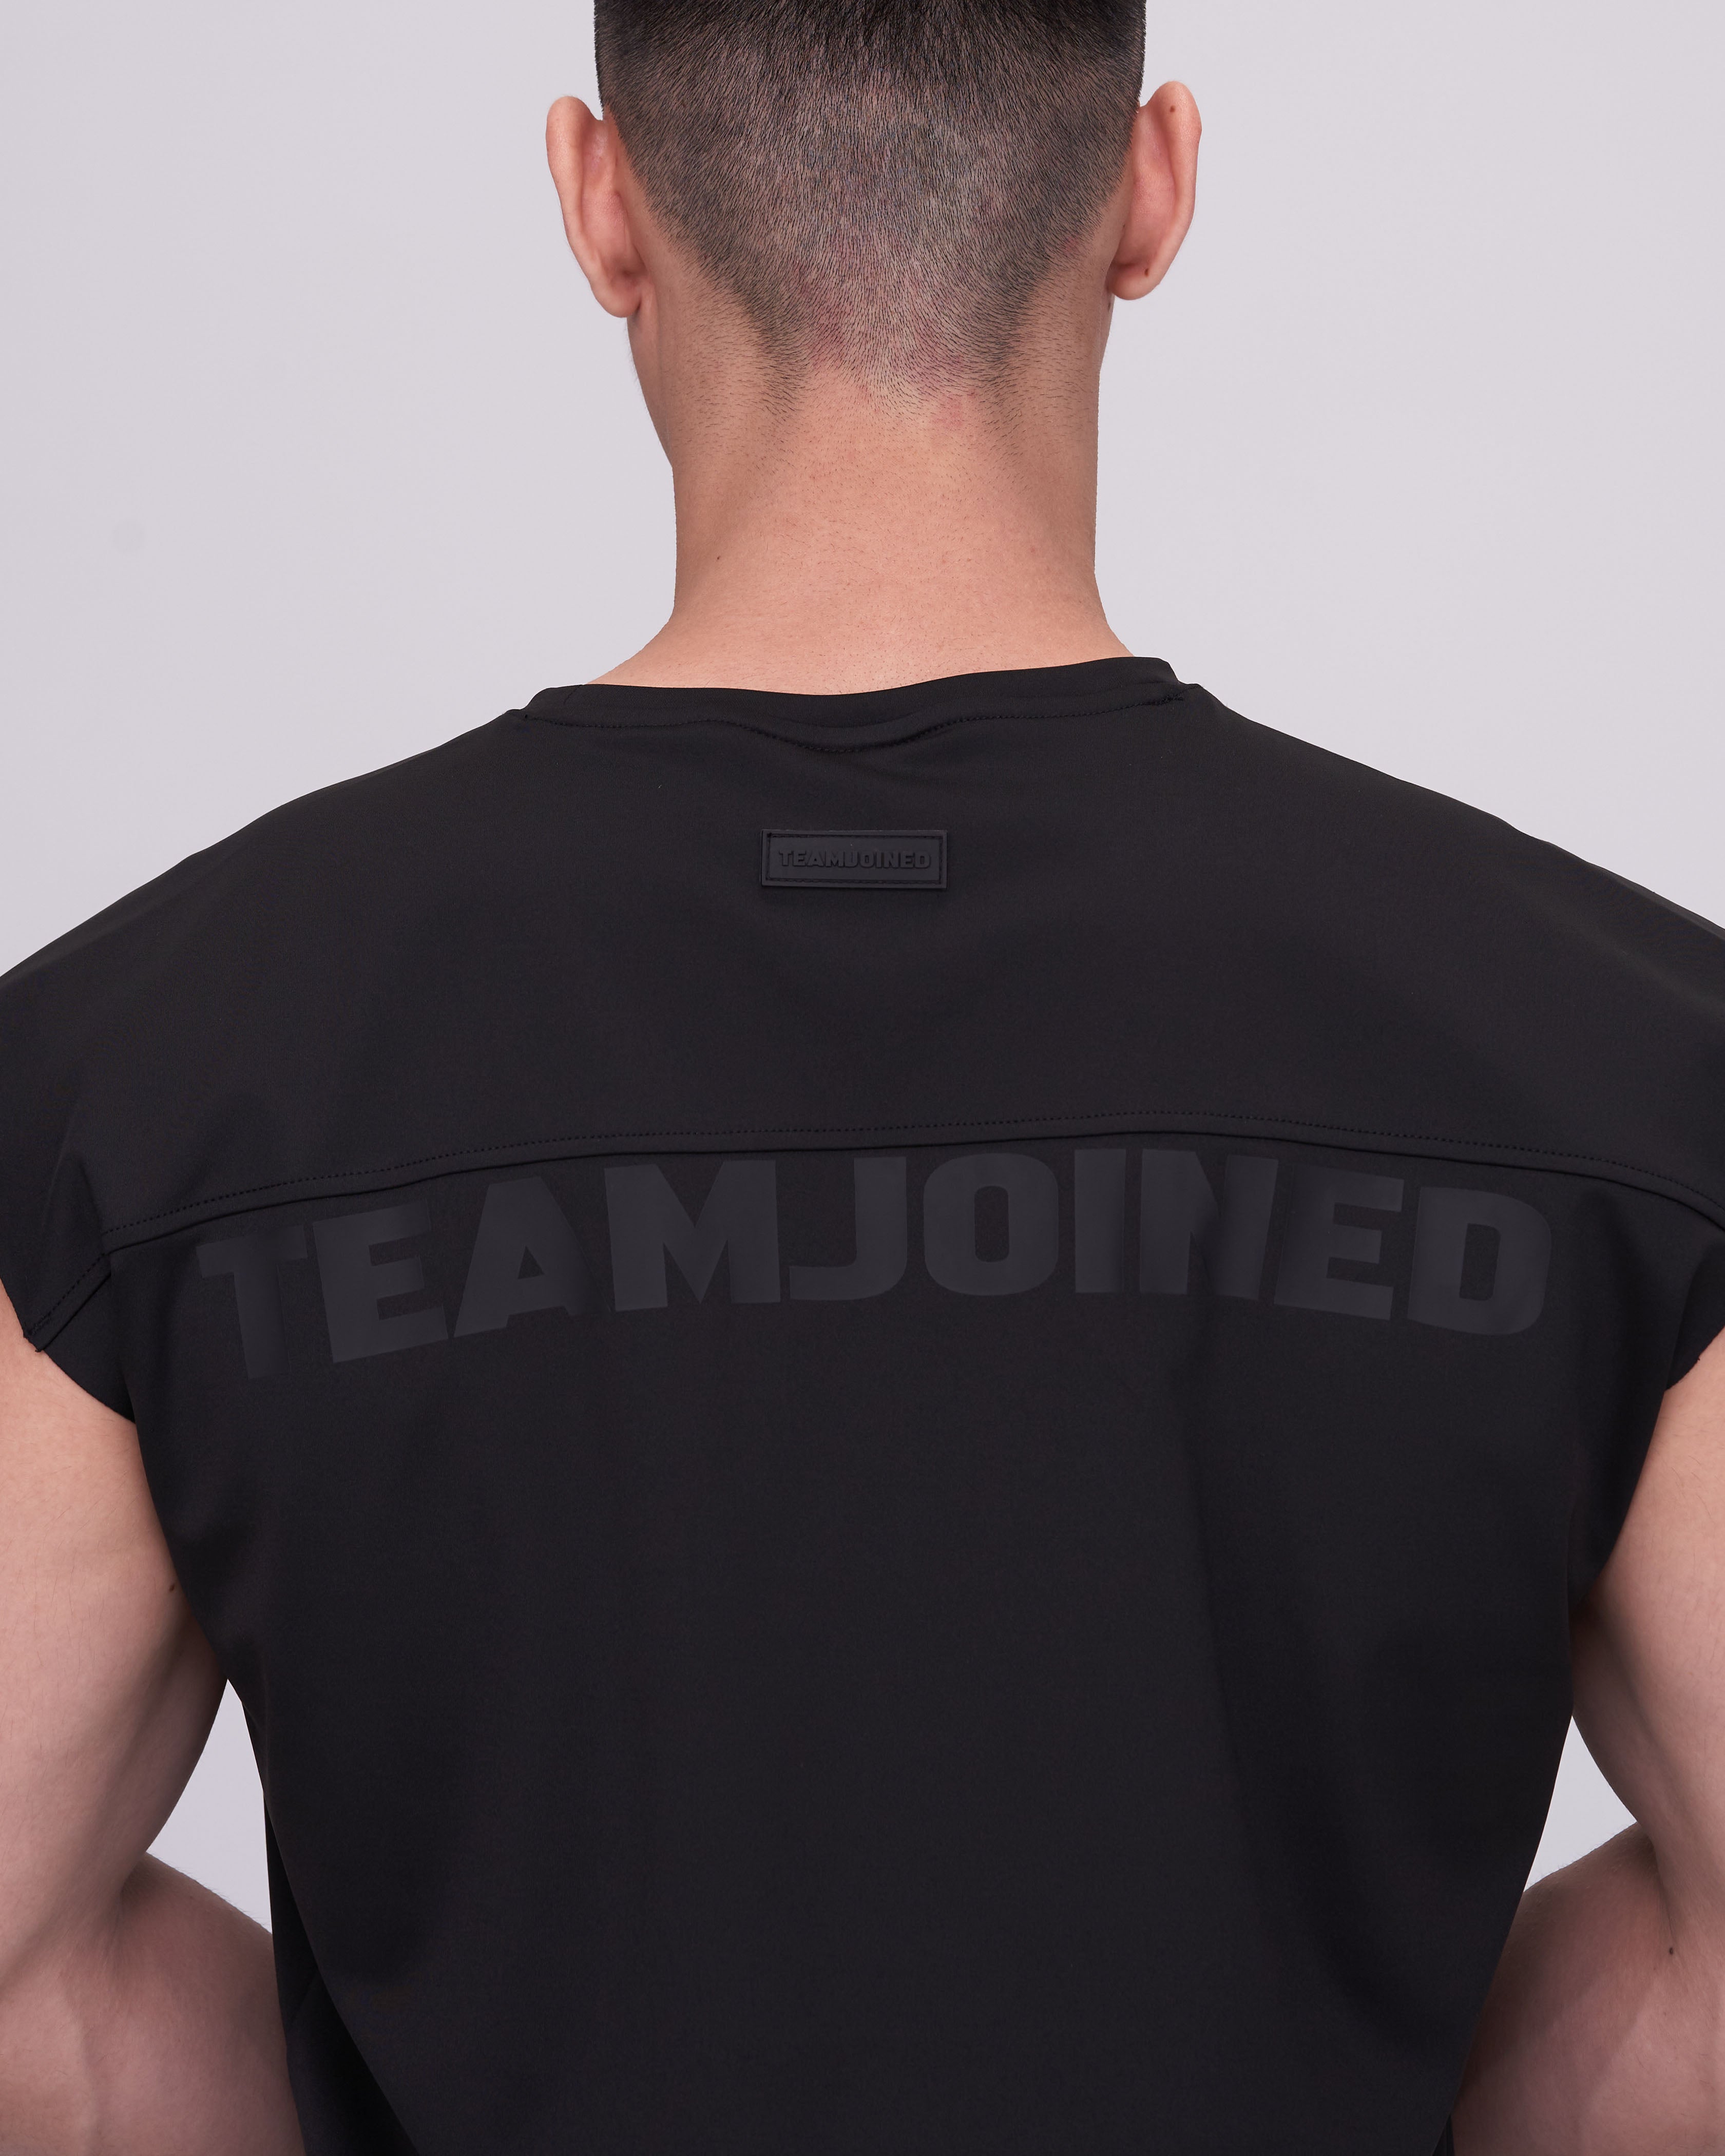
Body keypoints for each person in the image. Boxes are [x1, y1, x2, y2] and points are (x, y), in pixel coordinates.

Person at [1, 2, 1721, 2150]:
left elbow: (19, 1977)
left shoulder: (135, 1079)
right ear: (1155, 189)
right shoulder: (1635, 1068)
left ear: (600, 203)